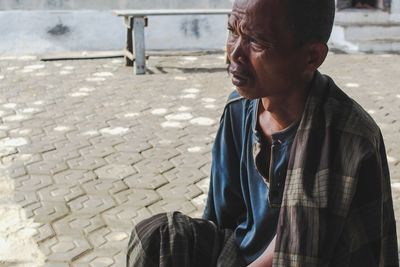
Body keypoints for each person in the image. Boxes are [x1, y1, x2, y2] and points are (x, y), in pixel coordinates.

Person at [127, 0, 399, 266]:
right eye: (233, 31)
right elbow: (220, 218)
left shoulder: (350, 137)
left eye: (256, 42)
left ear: (311, 56)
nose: (234, 53)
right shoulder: (237, 110)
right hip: (243, 253)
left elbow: (304, 247)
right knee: (157, 238)